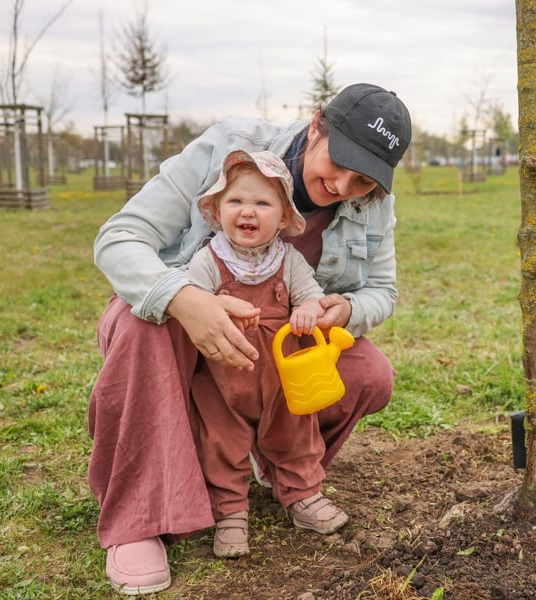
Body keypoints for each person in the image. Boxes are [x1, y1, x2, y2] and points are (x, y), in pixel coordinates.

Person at [89, 83, 411, 595]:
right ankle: (139, 520)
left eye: (364, 180)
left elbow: (383, 291)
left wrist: (346, 308)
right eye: (340, 161)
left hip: (277, 344)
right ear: (315, 126)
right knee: (141, 325)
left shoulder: (373, 205)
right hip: (181, 322)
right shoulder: (227, 146)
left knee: (367, 374)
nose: (345, 185)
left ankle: (279, 467)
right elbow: (119, 237)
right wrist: (184, 299)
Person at [184, 148, 343, 560]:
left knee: (296, 435)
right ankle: (231, 512)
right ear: (217, 211)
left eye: (262, 202)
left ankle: (303, 495)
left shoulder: (287, 260)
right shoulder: (208, 259)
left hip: (280, 378)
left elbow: (311, 294)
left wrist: (307, 308)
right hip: (222, 378)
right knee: (221, 441)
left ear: (284, 217)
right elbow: (193, 302)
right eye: (235, 201)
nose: (247, 211)